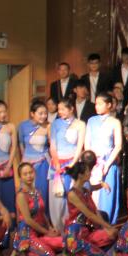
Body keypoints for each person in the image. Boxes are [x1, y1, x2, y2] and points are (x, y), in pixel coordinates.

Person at [62, 159, 117, 256]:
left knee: (113, 234)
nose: (90, 173)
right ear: (80, 175)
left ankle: (87, 252)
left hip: (88, 231)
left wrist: (106, 228)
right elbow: (89, 214)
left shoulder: (86, 191)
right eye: (88, 171)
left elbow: (95, 212)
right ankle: (74, 253)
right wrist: (108, 226)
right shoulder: (72, 194)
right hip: (76, 232)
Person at [11, 162, 63, 256]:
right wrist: (46, 232)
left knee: (64, 243)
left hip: (40, 231)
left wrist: (50, 228)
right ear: (20, 177)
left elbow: (42, 213)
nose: (29, 176)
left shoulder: (36, 191)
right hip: (28, 232)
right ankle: (23, 244)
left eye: (30, 172)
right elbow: (28, 220)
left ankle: (36, 244)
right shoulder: (21, 195)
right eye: (25, 174)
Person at [48, 97, 85, 231]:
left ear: (71, 109)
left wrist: (73, 163)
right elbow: (53, 146)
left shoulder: (80, 124)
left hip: (72, 163)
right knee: (57, 197)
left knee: (71, 195)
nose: (60, 112)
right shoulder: (55, 124)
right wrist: (57, 164)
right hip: (57, 163)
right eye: (59, 109)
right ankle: (58, 226)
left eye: (63, 109)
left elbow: (80, 146)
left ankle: (72, 226)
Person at [85, 94, 123, 224]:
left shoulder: (115, 122)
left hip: (109, 161)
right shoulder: (91, 120)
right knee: (92, 193)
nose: (97, 106)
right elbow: (87, 142)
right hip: (93, 161)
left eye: (100, 104)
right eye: (96, 103)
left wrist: (106, 165)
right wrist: (90, 161)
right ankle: (93, 223)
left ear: (109, 105)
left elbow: (118, 145)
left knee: (107, 194)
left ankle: (107, 224)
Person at [17, 101, 51, 217]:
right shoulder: (23, 126)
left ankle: (44, 219)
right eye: (40, 113)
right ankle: (28, 218)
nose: (44, 116)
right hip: (27, 164)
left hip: (42, 164)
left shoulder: (48, 126)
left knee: (42, 192)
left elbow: (51, 145)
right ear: (32, 113)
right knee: (26, 193)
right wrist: (24, 161)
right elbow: (21, 144)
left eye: (45, 113)